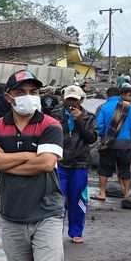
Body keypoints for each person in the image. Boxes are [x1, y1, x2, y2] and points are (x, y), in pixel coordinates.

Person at [0, 70, 65, 261]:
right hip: (12, 214)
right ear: (9, 97)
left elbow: (47, 163)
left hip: (46, 211)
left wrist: (4, 162)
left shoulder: (51, 125)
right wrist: (29, 154)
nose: (29, 96)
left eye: (33, 92)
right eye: (21, 92)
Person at [51, 85, 97, 244]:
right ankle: (56, 231)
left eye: (74, 100)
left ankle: (76, 231)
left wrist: (79, 121)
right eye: (68, 99)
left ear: (81, 100)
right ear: (63, 98)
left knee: (78, 199)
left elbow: (91, 138)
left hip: (80, 164)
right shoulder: (55, 115)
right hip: (59, 163)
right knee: (57, 198)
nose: (71, 103)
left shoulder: (89, 117)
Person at [95, 86, 131, 200]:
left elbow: (99, 126)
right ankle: (127, 193)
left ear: (107, 96)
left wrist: (103, 136)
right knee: (124, 169)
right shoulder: (130, 107)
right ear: (119, 95)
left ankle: (102, 193)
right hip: (125, 144)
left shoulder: (103, 107)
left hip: (108, 144)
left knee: (104, 169)